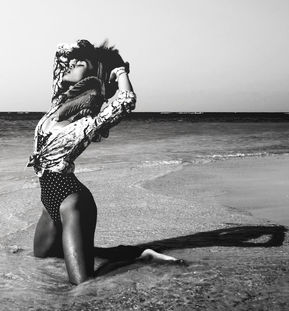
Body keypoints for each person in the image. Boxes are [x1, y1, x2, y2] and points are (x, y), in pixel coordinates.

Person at [27, 40, 182, 285]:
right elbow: (61, 54)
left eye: (79, 64)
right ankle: (128, 251)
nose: (70, 65)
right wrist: (85, 52)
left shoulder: (91, 122)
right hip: (48, 201)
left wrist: (119, 71)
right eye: (73, 62)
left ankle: (140, 258)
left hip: (72, 202)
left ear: (94, 74)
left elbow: (126, 101)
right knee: (44, 257)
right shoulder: (58, 102)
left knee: (82, 283)